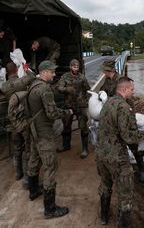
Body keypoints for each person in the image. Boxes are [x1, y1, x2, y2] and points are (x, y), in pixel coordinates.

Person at [96, 76, 144, 227]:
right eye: (132, 89)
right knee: (126, 191)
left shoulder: (108, 102)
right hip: (116, 156)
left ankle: (103, 216)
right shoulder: (123, 107)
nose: (133, 92)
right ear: (124, 89)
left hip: (101, 154)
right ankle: (123, 224)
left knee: (105, 184)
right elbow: (128, 137)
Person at [27, 60, 72, 219]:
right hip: (44, 133)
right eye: (52, 72)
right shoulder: (44, 89)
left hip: (34, 131)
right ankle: (50, 209)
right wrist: (67, 113)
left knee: (34, 159)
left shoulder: (33, 85)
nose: (54, 74)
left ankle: (33, 191)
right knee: (51, 167)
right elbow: (52, 113)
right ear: (44, 71)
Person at [98, 58, 144, 183]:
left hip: (126, 112)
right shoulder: (107, 80)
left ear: (109, 70)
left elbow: (127, 98)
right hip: (115, 113)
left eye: (104, 69)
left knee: (132, 140)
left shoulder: (120, 80)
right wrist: (101, 94)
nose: (103, 72)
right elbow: (103, 90)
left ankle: (141, 168)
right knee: (118, 138)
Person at [1, 62, 35, 187]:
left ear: (7, 72)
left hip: (13, 121)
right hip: (24, 119)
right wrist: (26, 67)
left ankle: (18, 173)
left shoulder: (4, 86)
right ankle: (27, 178)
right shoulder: (21, 81)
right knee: (28, 148)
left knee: (17, 148)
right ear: (16, 69)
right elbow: (32, 76)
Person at [57, 59, 90, 158]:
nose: (76, 68)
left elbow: (87, 88)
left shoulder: (82, 77)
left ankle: (85, 149)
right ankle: (66, 145)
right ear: (70, 67)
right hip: (69, 105)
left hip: (80, 105)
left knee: (83, 126)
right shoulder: (65, 76)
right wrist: (67, 89)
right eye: (74, 66)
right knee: (66, 126)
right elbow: (59, 87)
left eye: (77, 66)